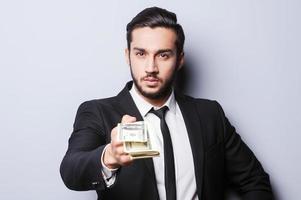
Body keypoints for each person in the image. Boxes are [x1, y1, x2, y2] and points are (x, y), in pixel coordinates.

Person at [60, 6, 274, 200]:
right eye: (141, 54)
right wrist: (109, 157)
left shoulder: (210, 114)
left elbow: (255, 182)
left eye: (163, 55)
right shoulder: (98, 112)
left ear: (180, 59)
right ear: (128, 56)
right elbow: (71, 170)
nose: (151, 67)